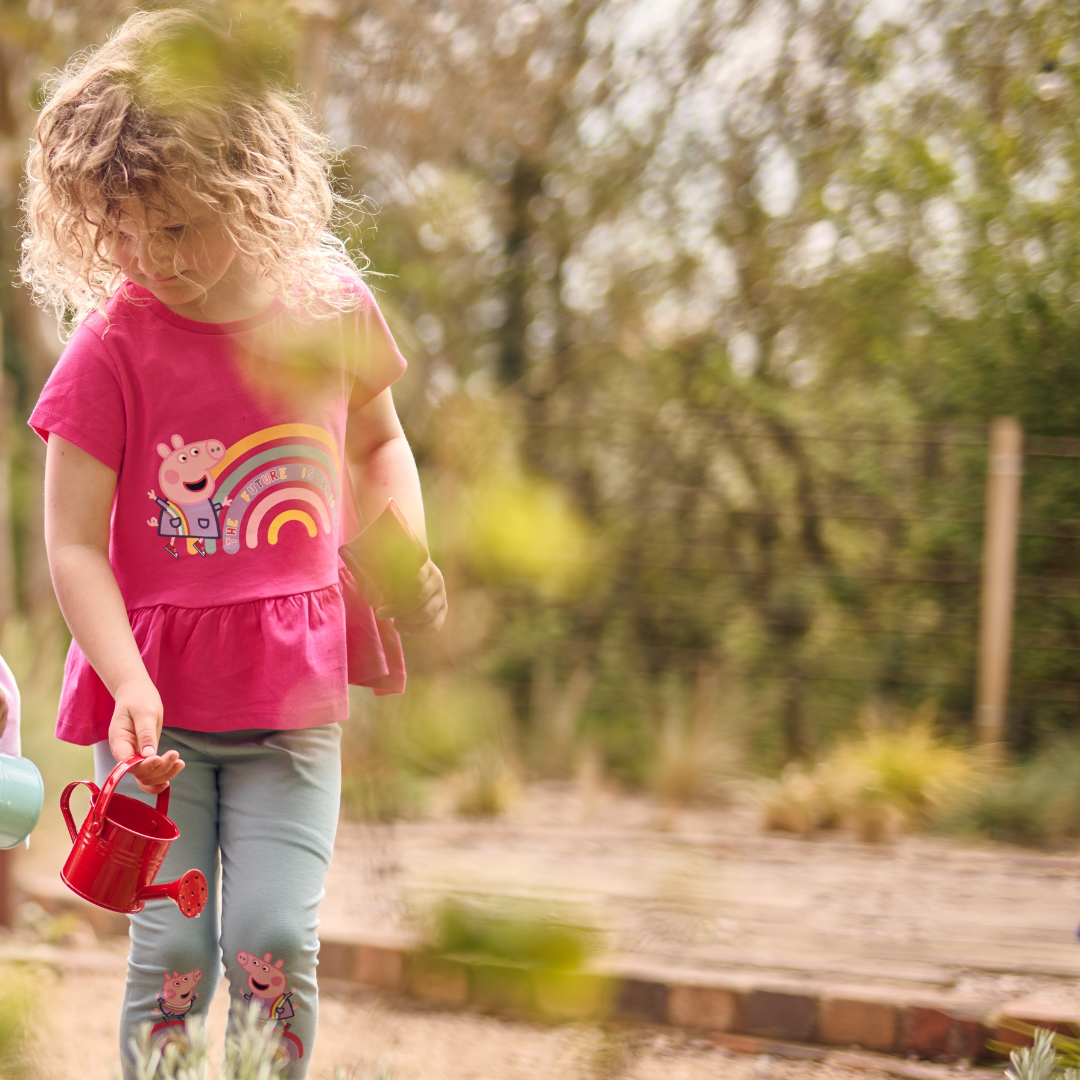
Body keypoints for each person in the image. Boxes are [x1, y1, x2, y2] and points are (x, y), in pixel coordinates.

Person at [21, 9, 446, 1076]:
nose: (146, 260)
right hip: (150, 709)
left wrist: (405, 555)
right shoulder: (111, 344)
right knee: (170, 945)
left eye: (174, 229)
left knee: (271, 939)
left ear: (250, 184)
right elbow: (71, 543)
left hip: (291, 697)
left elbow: (382, 445)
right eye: (121, 232)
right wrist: (121, 683)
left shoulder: (328, 311)